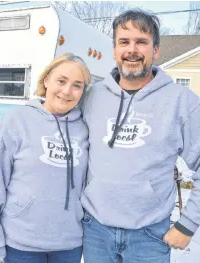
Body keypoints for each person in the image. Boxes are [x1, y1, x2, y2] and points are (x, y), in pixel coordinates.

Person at [81, 9, 200, 263]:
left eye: (141, 42)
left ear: (155, 50)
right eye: (124, 42)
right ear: (114, 50)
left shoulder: (183, 103)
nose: (132, 50)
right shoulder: (92, 96)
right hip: (95, 232)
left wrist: (188, 224)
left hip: (149, 236)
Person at [0, 53, 90, 263]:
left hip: (69, 243)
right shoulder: (16, 121)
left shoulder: (84, 128)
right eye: (61, 81)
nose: (67, 91)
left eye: (77, 85)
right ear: (46, 80)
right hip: (21, 242)